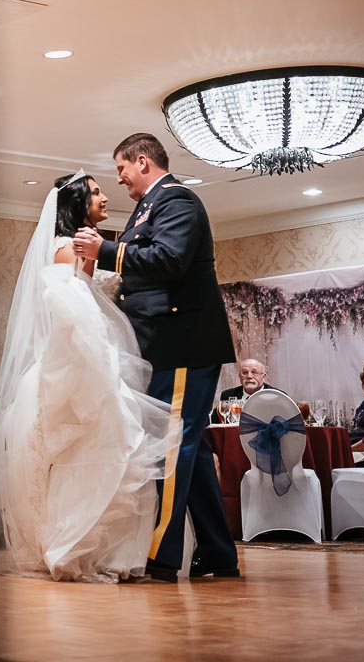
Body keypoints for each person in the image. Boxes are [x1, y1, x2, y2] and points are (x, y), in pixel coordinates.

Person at [0, 170, 172, 583]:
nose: (105, 196)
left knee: (112, 452)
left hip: (96, 358)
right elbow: (74, 313)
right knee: (87, 453)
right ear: (77, 203)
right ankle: (75, 545)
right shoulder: (65, 247)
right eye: (97, 192)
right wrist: (99, 366)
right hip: (79, 362)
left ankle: (108, 550)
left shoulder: (85, 247)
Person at [72, 133, 240, 582]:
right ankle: (219, 551)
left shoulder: (178, 200)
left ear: (142, 161)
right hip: (164, 344)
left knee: (173, 446)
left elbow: (169, 260)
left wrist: (105, 251)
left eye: (122, 170)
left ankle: (160, 554)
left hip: (183, 342)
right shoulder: (149, 208)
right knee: (192, 448)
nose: (120, 180)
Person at [210, 358, 285, 424]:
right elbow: (213, 421)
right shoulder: (228, 395)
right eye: (245, 372)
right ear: (239, 376)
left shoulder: (277, 396)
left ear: (264, 377)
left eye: (254, 372)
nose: (249, 376)